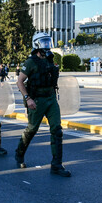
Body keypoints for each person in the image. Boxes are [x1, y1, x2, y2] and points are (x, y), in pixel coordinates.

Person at [15, 32, 71, 177]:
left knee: (57, 131)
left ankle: (56, 165)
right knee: (32, 129)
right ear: (37, 45)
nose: (47, 45)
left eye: (48, 42)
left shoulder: (50, 59)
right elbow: (20, 81)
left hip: (51, 98)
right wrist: (28, 98)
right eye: (44, 43)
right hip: (37, 100)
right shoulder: (30, 62)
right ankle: (19, 153)